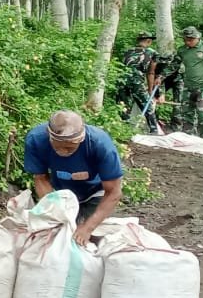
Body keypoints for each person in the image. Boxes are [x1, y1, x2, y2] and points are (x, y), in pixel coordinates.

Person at [22, 110, 123, 242]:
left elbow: (113, 192)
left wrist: (88, 228)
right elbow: (40, 178)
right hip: (61, 194)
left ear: (80, 139)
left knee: (89, 239)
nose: (64, 151)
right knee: (58, 235)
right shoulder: (36, 140)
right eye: (58, 147)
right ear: (49, 137)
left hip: (95, 192)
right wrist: (53, 209)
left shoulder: (100, 144)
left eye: (70, 148)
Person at [168, 26, 203, 139]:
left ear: (197, 37)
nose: (188, 42)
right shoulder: (182, 50)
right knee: (186, 113)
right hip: (188, 86)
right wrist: (161, 77)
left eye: (190, 39)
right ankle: (188, 137)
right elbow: (174, 65)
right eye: (185, 39)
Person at [120, 33, 163, 130]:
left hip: (122, 80)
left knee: (123, 106)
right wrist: (150, 89)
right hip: (136, 81)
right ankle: (153, 130)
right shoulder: (152, 53)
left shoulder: (127, 51)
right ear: (148, 41)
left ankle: (123, 130)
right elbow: (151, 73)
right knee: (148, 105)